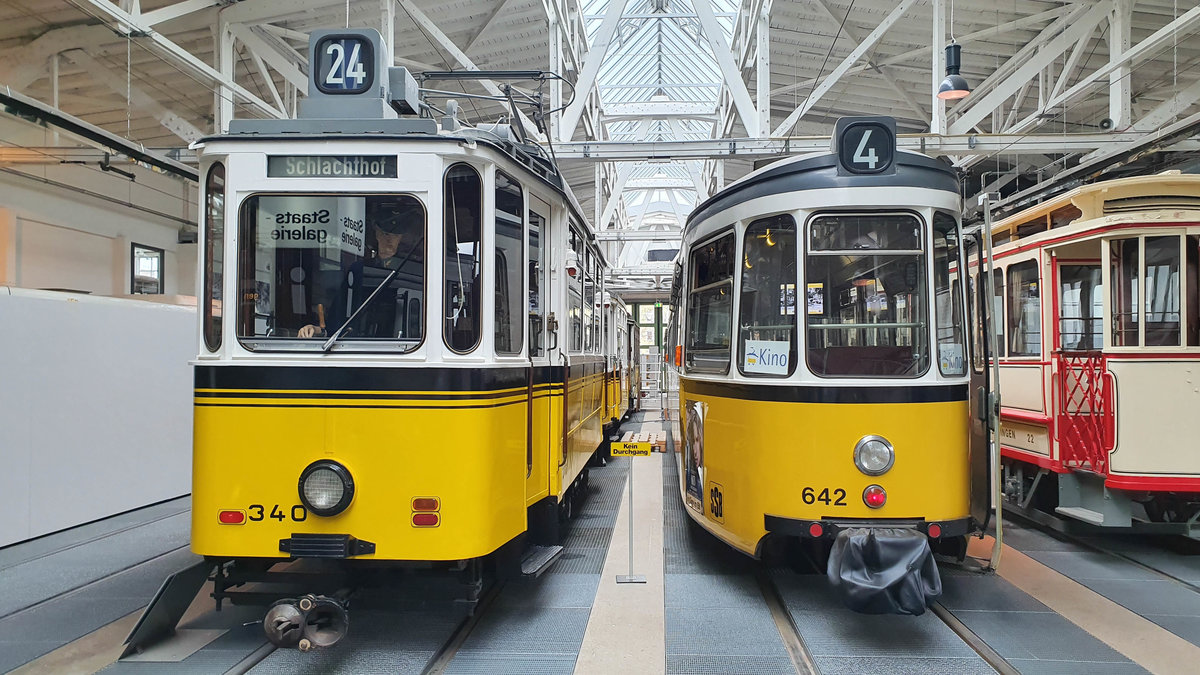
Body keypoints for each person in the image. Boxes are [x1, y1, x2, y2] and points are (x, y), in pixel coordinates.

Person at [298, 206, 421, 339]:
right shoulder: (359, 270)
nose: (390, 240)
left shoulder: (410, 270)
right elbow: (339, 314)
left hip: (401, 345)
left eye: (395, 235)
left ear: (400, 238)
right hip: (358, 343)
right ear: (377, 233)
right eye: (385, 234)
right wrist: (317, 330)